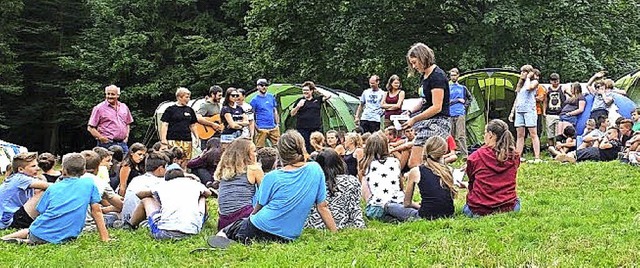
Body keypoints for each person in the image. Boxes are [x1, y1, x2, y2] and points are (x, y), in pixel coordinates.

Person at [213, 130, 337, 245]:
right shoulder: (315, 169)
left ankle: (224, 236)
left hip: (260, 226)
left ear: (280, 153)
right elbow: (323, 207)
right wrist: (334, 234)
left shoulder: (272, 177)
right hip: (289, 236)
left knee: (233, 228)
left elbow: (258, 208)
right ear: (302, 147)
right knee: (240, 227)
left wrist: (249, 220)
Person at [1, 153, 110, 244]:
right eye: (33, 166)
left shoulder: (54, 188)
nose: (38, 168)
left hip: (37, 231)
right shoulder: (90, 184)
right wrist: (105, 238)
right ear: (84, 171)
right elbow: (97, 212)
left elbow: (41, 210)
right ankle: (23, 240)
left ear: (64, 170)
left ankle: (8, 239)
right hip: (69, 235)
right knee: (36, 230)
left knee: (32, 231)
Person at [384, 136, 456, 221]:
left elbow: (407, 203)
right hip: (448, 213)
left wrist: (418, 206)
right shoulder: (448, 170)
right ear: (444, 151)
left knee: (389, 206)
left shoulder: (416, 171)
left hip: (425, 215)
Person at [403, 43, 451, 169]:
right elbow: (424, 100)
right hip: (427, 121)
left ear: (423, 58)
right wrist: (409, 111)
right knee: (429, 163)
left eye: (415, 62)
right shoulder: (424, 76)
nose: (414, 66)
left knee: (415, 163)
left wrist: (414, 119)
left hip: (439, 122)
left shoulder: (437, 76)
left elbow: (437, 107)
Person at [128, 168, 212, 240]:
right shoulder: (194, 183)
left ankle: (130, 225)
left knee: (146, 199)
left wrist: (154, 195)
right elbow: (208, 193)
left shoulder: (162, 185)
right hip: (193, 231)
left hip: (164, 233)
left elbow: (139, 194)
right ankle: (202, 220)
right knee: (202, 197)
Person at [464, 119, 521, 217]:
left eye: (484, 132)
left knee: (466, 208)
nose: (483, 135)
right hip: (507, 206)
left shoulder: (475, 156)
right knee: (518, 201)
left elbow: (472, 182)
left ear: (490, 135)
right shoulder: (514, 156)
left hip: (479, 208)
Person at [305, 148, 365, 229]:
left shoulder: (312, 183)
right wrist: (359, 225)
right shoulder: (351, 181)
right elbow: (354, 208)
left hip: (315, 224)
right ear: (339, 162)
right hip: (342, 223)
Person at [214, 138, 263, 230]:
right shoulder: (254, 169)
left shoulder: (224, 170)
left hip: (223, 221)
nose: (256, 154)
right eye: (254, 151)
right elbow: (266, 195)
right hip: (244, 216)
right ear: (246, 155)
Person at [359, 133, 404, 220]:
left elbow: (365, 192)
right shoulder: (395, 161)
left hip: (377, 206)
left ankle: (386, 216)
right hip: (398, 203)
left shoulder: (366, 165)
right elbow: (400, 185)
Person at [0, 152, 49, 230]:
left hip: (9, 217)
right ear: (20, 169)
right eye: (33, 166)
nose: (38, 168)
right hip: (7, 222)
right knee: (43, 193)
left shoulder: (19, 178)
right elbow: (51, 187)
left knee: (40, 191)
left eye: (37, 165)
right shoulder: (20, 179)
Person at [120, 151, 169, 225]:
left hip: (126, 218)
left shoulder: (136, 179)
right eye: (166, 167)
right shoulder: (160, 182)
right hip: (139, 220)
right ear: (160, 168)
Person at [79, 150, 123, 230]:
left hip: (66, 224)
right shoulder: (100, 182)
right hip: (89, 226)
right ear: (97, 167)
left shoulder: (65, 180)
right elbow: (120, 205)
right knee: (114, 216)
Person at [87, 85, 134, 153]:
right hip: (107, 144)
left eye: (112, 94)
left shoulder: (124, 107)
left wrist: (127, 136)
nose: (110, 96)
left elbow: (128, 123)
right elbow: (90, 128)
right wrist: (101, 138)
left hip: (122, 143)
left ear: (118, 95)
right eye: (108, 94)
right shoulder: (99, 108)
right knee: (107, 163)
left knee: (125, 162)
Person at [509, 65, 541, 162]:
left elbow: (529, 88)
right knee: (520, 134)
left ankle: (537, 157)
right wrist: (512, 112)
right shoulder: (520, 85)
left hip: (529, 110)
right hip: (519, 111)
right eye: (521, 72)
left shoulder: (534, 82)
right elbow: (517, 99)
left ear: (529, 73)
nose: (521, 74)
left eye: (524, 72)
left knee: (533, 134)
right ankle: (518, 156)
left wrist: (528, 78)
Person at [291, 81, 331, 152]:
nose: (305, 92)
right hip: (303, 128)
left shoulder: (317, 99)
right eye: (303, 90)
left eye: (307, 90)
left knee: (316, 145)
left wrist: (318, 91)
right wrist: (298, 106)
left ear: (312, 91)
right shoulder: (300, 100)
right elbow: (292, 113)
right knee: (305, 145)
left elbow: (328, 96)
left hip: (315, 127)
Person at [160, 87, 198, 159]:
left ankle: (184, 170)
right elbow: (165, 125)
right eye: (186, 97)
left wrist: (197, 137)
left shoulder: (190, 110)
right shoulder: (170, 109)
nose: (188, 99)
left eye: (189, 97)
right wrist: (163, 139)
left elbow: (193, 125)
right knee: (173, 158)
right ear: (179, 97)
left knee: (185, 159)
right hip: (172, 138)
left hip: (186, 139)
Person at [556, 127, 621, 163]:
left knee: (590, 151)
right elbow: (585, 139)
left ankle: (568, 156)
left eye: (609, 133)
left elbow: (602, 146)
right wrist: (597, 138)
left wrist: (604, 138)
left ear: (616, 134)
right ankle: (567, 159)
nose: (607, 135)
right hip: (597, 154)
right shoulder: (609, 140)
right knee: (587, 151)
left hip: (599, 154)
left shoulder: (616, 142)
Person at [448, 68, 472, 158]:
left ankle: (465, 155)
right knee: (450, 135)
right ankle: (451, 153)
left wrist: (464, 106)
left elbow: (470, 98)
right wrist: (458, 100)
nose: (453, 77)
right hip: (450, 113)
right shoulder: (448, 88)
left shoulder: (462, 88)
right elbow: (446, 101)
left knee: (461, 135)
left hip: (460, 113)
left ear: (458, 76)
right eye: (451, 75)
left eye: (454, 75)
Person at [251, 79, 280, 147]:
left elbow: (274, 110)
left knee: (279, 147)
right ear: (257, 87)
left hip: (273, 127)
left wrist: (277, 124)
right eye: (261, 85)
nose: (264, 87)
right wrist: (256, 127)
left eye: (266, 85)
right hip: (261, 127)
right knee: (260, 148)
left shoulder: (271, 97)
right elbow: (251, 114)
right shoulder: (254, 100)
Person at [544, 73, 566, 146]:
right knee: (550, 134)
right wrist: (544, 112)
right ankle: (551, 149)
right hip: (550, 113)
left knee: (558, 134)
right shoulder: (548, 90)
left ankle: (558, 149)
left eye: (557, 80)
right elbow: (545, 101)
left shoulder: (562, 88)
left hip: (560, 113)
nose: (555, 82)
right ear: (550, 81)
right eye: (553, 81)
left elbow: (571, 95)